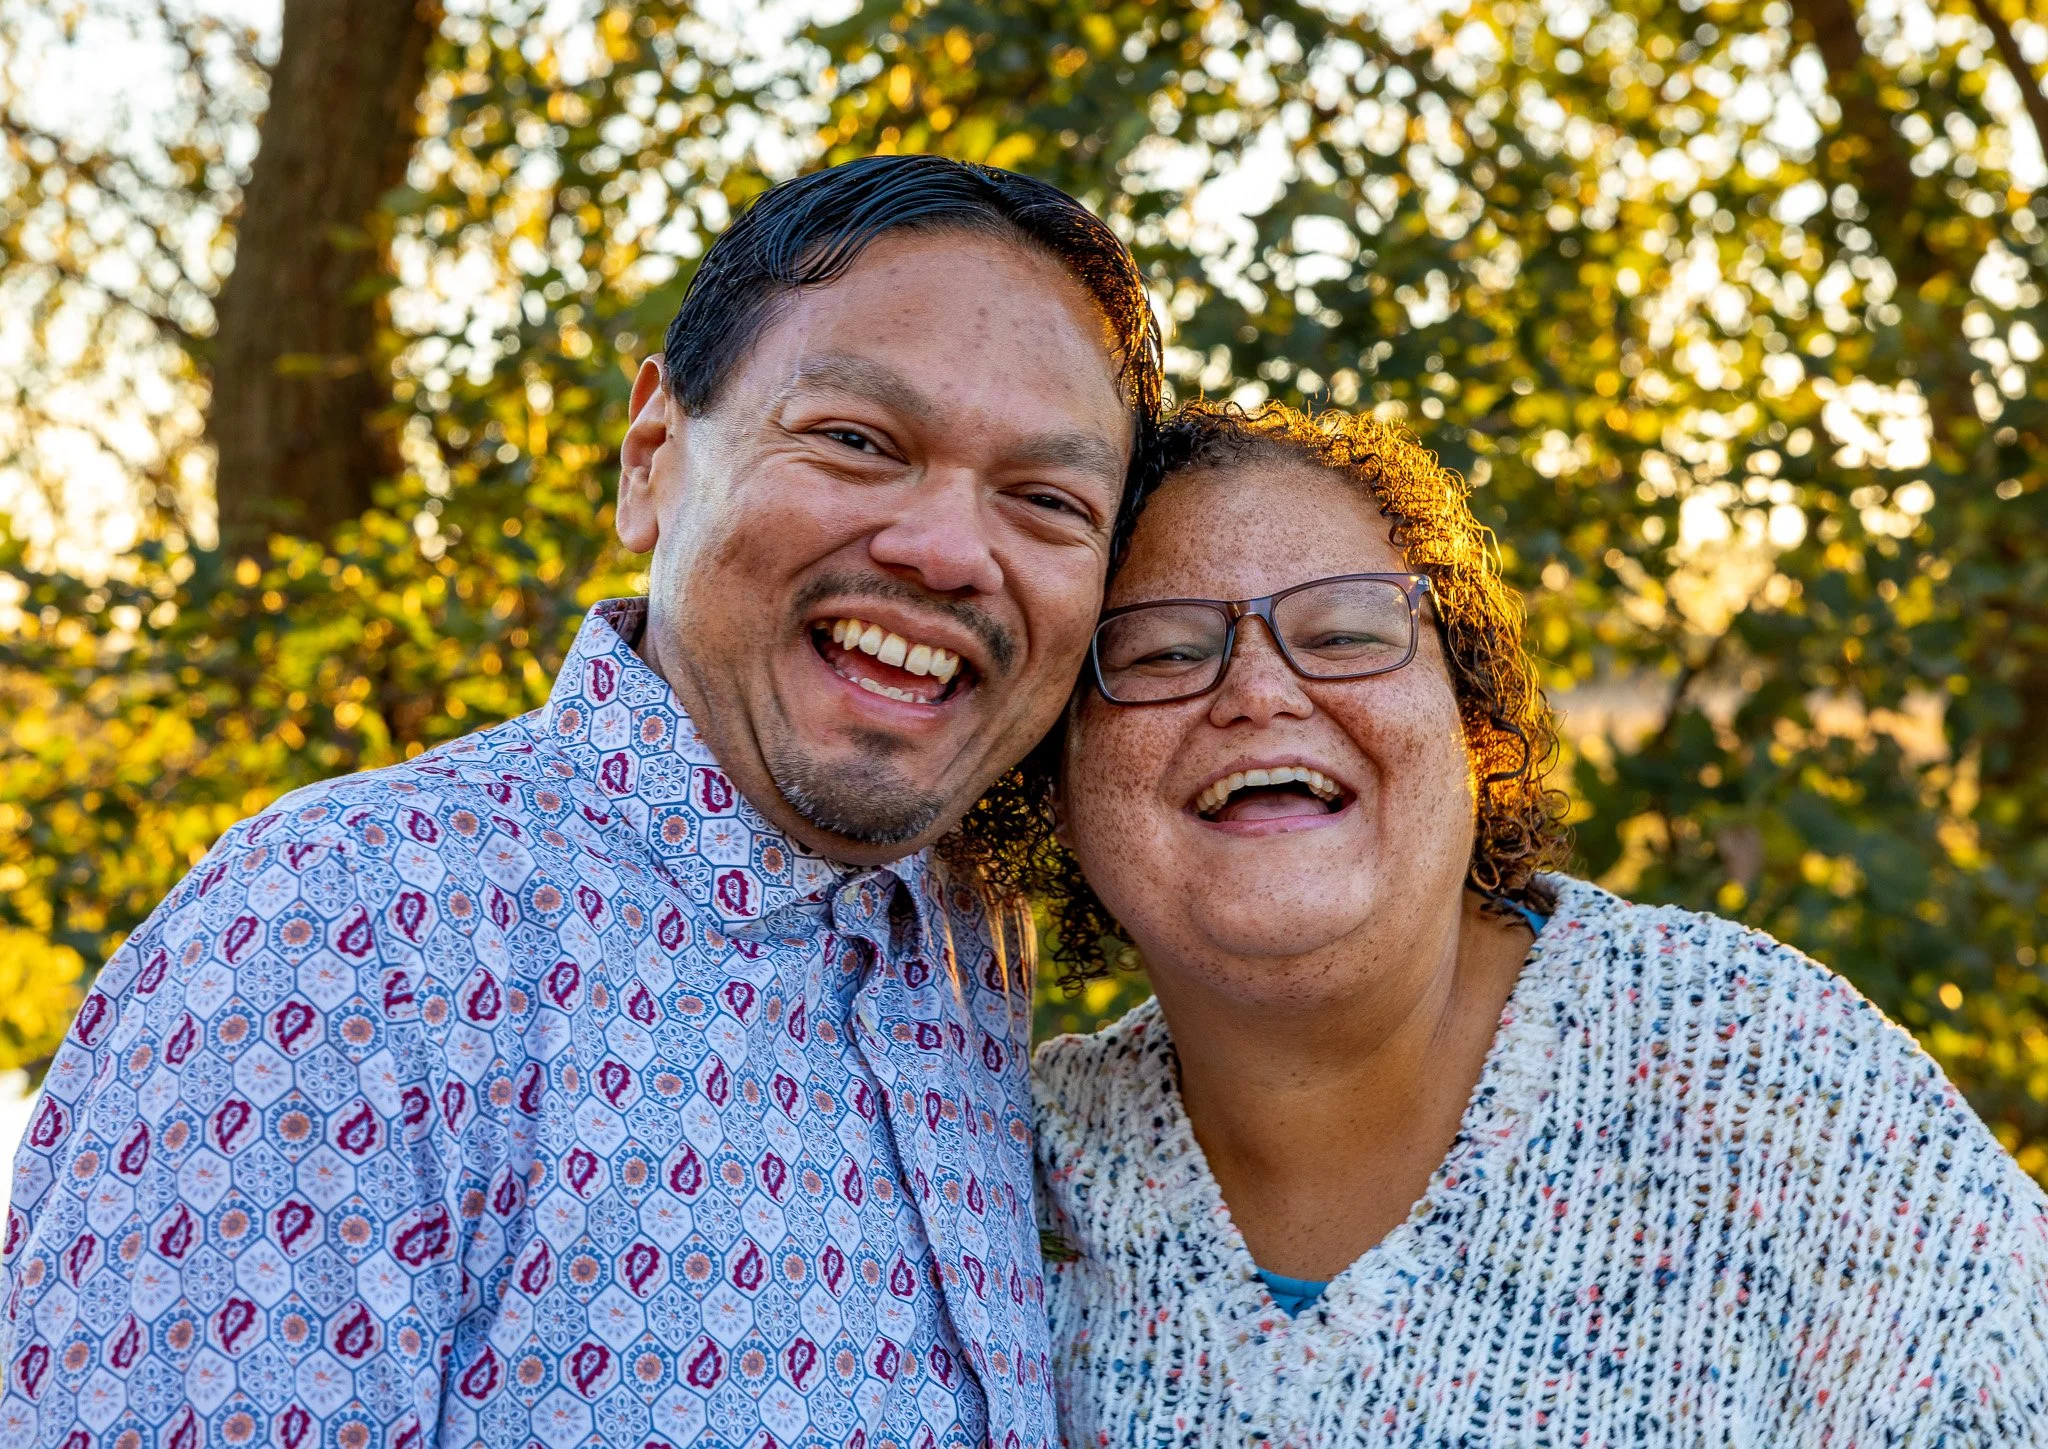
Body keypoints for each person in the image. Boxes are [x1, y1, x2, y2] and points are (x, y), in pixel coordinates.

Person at [0, 155, 1162, 1449]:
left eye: (1047, 501)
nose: (947, 551)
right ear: (652, 458)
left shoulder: (968, 946)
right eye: (855, 440)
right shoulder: (339, 934)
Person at [1019, 400, 2048, 1445]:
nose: (1259, 691)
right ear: (1052, 776)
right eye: (1160, 653)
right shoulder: (995, 1177)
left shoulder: (1776, 1078)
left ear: (1470, 722)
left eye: (1344, 634)